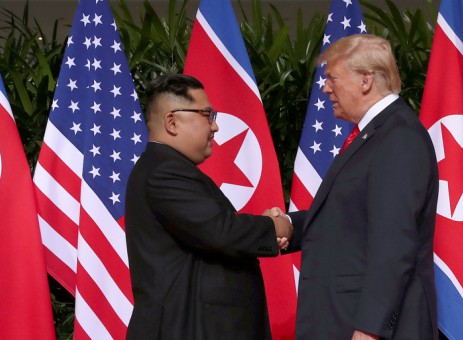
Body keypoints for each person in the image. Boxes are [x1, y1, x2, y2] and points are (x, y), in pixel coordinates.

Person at [275, 34, 439, 339]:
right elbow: (346, 217)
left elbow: (394, 243)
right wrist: (286, 224)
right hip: (342, 319)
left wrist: (369, 329)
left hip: (366, 328)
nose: (325, 89)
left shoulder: (398, 138)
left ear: (366, 80)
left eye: (332, 78)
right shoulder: (375, 135)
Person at [125, 73, 292, 339]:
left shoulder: (166, 167)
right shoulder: (164, 171)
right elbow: (222, 232)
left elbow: (213, 231)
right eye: (207, 115)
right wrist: (276, 226)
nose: (214, 127)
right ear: (172, 121)